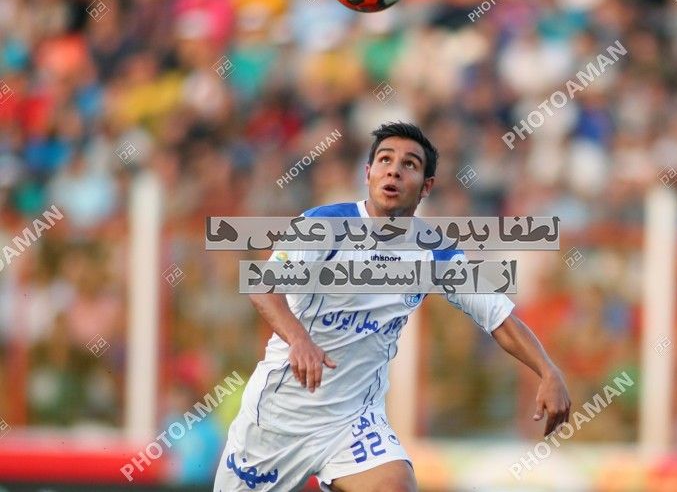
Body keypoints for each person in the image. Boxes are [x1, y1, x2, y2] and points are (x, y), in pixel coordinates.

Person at [213, 122, 571, 492]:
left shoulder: (435, 252)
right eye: (385, 160)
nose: (394, 170)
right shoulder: (323, 225)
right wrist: (299, 339)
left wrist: (548, 370)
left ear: (426, 186)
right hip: (279, 417)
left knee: (396, 485)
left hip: (352, 421)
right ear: (368, 173)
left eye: (409, 164)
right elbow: (263, 286)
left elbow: (498, 317)